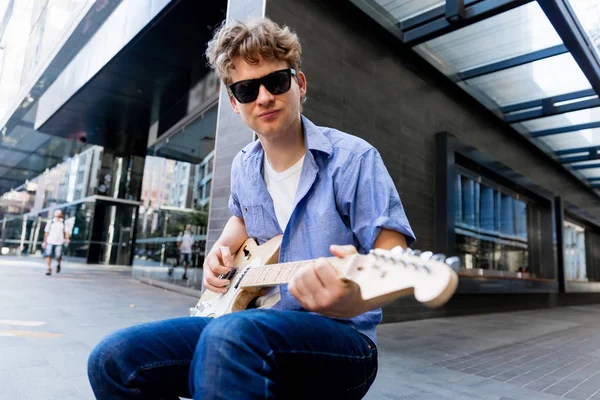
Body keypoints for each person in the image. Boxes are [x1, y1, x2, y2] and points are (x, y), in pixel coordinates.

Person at [87, 17, 415, 399]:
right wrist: (220, 252)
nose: (264, 97)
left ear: (300, 84)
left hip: (343, 341)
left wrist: (351, 299)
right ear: (234, 103)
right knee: (113, 359)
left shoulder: (354, 159)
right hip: (242, 323)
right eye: (246, 89)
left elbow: (396, 259)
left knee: (232, 337)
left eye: (276, 82)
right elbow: (241, 219)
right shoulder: (244, 164)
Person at [43, 209, 70, 276]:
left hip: (59, 242)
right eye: (56, 213)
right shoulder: (51, 222)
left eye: (59, 213)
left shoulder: (64, 222)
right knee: (48, 254)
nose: (57, 214)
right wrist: (44, 241)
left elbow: (66, 232)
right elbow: (46, 232)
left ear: (61, 214)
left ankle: (58, 264)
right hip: (50, 241)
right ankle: (48, 268)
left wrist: (67, 239)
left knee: (58, 256)